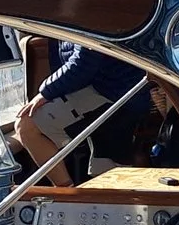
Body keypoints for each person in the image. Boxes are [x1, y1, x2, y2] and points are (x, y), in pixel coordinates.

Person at [12, 43, 146, 185]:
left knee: (27, 125)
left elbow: (84, 64)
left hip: (111, 90)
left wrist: (45, 92)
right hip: (118, 88)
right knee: (108, 176)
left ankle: (65, 194)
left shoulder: (88, 20)